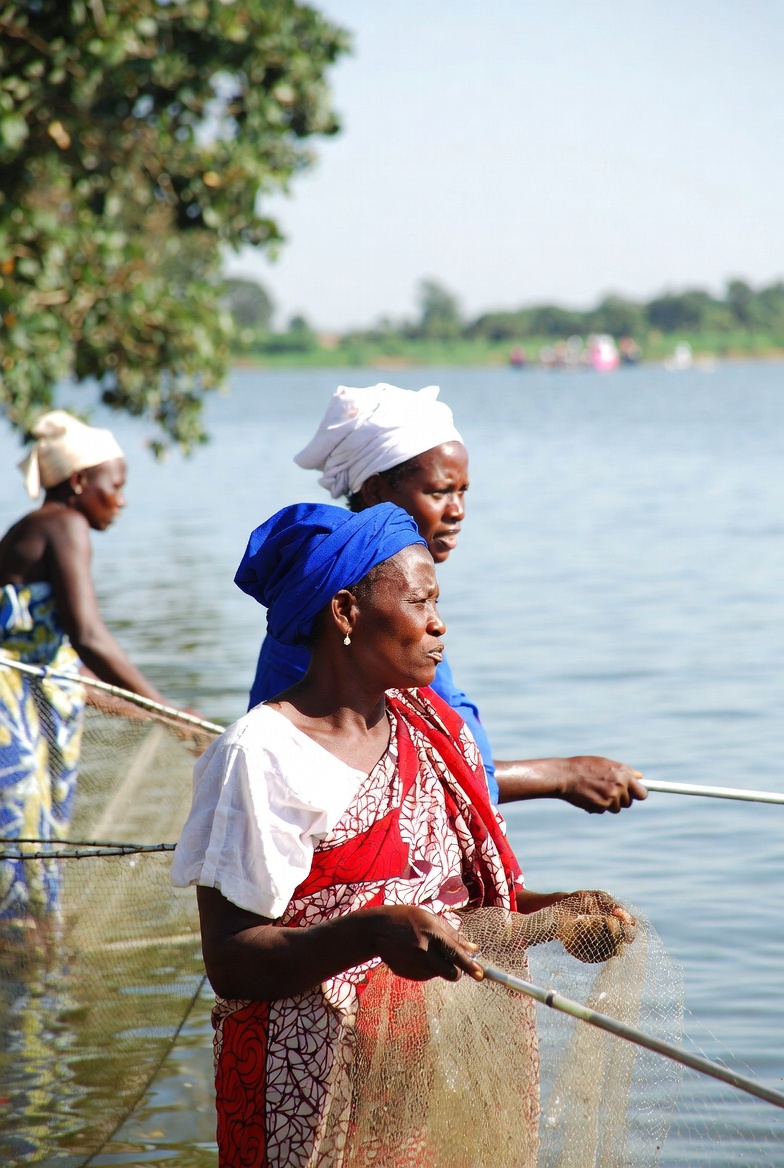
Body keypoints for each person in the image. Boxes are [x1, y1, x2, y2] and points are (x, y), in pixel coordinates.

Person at [172, 501, 634, 1167]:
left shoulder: (432, 732)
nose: (439, 624)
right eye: (420, 602)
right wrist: (369, 933)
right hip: (306, 1091)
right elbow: (232, 960)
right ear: (345, 614)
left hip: (425, 1083)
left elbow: (452, 910)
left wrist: (558, 917)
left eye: (437, 602)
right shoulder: (261, 755)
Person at [248, 382, 648, 812]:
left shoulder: (406, 614)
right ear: (378, 491)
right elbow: (391, 778)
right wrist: (562, 776)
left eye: (463, 491)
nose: (457, 509)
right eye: (439, 492)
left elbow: (442, 756)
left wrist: (564, 776)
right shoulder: (337, 617)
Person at [0, 410, 179, 919]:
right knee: (22, 841)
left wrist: (142, 711)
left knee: (31, 846)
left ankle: (29, 963)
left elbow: (61, 659)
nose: (121, 500)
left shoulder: (44, 528)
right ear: (78, 482)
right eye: (114, 485)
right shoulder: (62, 523)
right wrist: (161, 707)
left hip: (24, 707)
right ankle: (29, 959)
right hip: (8, 710)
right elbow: (90, 637)